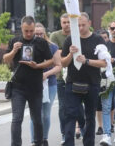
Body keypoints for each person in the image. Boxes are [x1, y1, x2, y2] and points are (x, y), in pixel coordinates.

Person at [3, 16, 53, 146]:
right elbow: (6, 59)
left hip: (35, 87)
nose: (29, 34)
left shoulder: (41, 42)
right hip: (18, 87)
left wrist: (38, 66)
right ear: (22, 28)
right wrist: (14, 50)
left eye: (31, 31)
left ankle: (38, 143)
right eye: (26, 31)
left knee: (37, 119)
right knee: (17, 119)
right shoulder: (15, 41)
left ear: (34, 27)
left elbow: (51, 60)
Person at [61, 12, 107, 146]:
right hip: (72, 82)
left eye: (83, 25)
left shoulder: (98, 39)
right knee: (70, 115)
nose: (80, 28)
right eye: (78, 25)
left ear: (89, 24)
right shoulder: (70, 39)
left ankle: (88, 143)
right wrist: (71, 53)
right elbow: (63, 63)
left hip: (92, 83)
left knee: (90, 117)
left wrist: (87, 61)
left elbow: (104, 63)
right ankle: (69, 143)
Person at [30, 23, 62, 146]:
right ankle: (34, 140)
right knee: (35, 113)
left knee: (46, 114)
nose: (38, 36)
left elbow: (58, 66)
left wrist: (46, 74)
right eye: (36, 34)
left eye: (40, 33)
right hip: (33, 84)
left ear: (45, 34)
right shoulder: (29, 46)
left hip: (50, 84)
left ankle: (44, 138)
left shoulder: (52, 47)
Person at [50, 13, 71, 144]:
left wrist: (64, 52)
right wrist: (71, 52)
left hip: (77, 77)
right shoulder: (55, 35)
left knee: (78, 106)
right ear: (60, 23)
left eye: (68, 22)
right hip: (60, 78)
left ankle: (79, 129)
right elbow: (56, 54)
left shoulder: (77, 33)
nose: (66, 24)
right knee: (63, 107)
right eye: (64, 22)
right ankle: (64, 133)